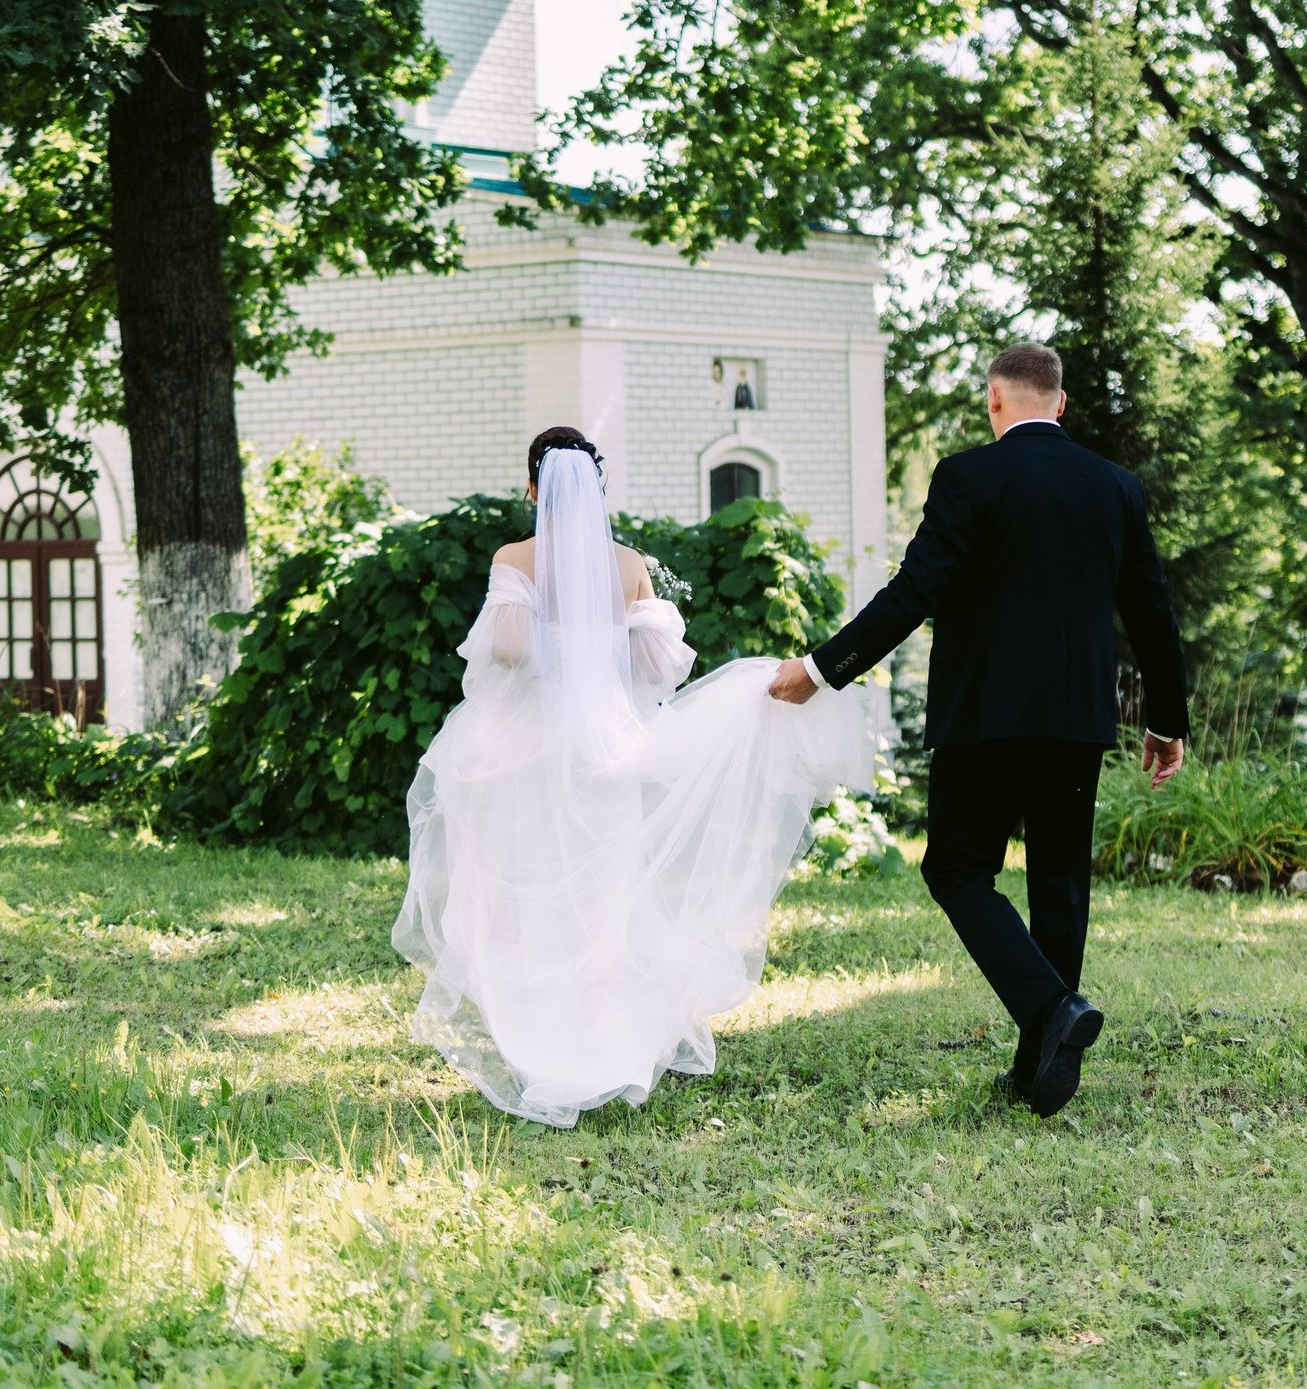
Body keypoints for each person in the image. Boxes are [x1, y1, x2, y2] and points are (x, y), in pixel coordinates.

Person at [393, 426, 871, 1127]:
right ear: (597, 488)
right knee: (603, 899)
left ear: (533, 488)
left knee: (529, 901)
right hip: (608, 754)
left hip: (524, 751)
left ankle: (543, 1052)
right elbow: (656, 670)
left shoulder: (514, 558)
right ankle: (607, 1049)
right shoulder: (629, 565)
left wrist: (526, 614)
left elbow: (506, 649)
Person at [769, 342, 1189, 1118]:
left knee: (958, 872)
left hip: (985, 719)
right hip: (1076, 722)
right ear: (1058, 403)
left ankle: (1053, 1015)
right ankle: (1039, 1071)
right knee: (1059, 886)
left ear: (995, 402)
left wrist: (823, 668)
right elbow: (1152, 614)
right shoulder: (1115, 487)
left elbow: (917, 590)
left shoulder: (968, 476)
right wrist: (1166, 720)